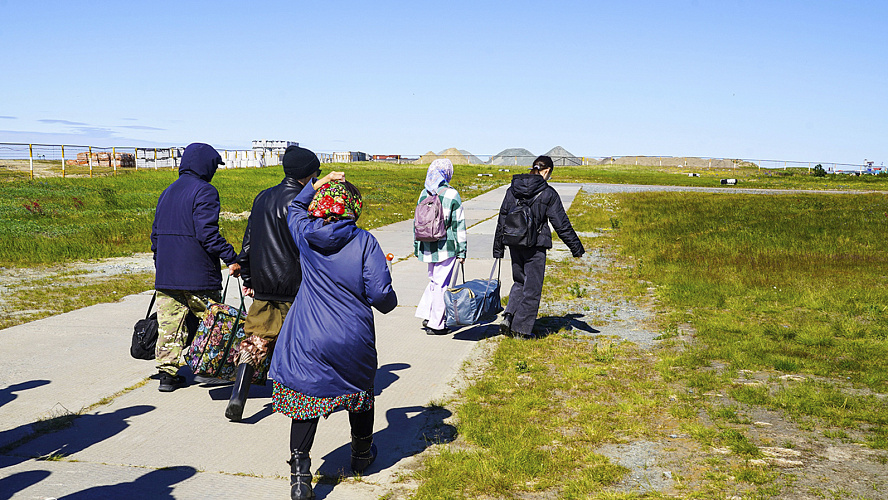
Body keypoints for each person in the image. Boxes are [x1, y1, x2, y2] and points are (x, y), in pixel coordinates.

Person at [270, 172, 397, 500]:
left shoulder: (305, 233)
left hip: (308, 335)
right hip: (352, 336)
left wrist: (317, 182)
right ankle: (360, 455)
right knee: (360, 392)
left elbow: (295, 207)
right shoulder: (366, 241)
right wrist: (388, 287)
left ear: (320, 206)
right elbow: (381, 295)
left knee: (305, 400)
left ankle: (300, 477)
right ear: (354, 209)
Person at [225, 145, 320, 422]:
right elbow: (312, 244)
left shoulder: (263, 197)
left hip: (265, 285)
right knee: (299, 342)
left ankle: (238, 396)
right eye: (316, 172)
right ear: (307, 174)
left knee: (255, 340)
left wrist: (249, 277)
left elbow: (249, 243)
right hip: (298, 285)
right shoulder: (306, 202)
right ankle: (295, 397)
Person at [150, 142, 240, 392]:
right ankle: (208, 370)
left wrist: (161, 263)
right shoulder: (205, 191)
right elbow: (207, 233)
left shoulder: (167, 191)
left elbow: (155, 235)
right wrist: (231, 257)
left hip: (167, 274)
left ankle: (167, 375)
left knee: (169, 324)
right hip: (198, 274)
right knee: (213, 321)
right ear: (206, 165)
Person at [492, 155, 585, 339]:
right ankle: (521, 331)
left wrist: (498, 248)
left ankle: (509, 316)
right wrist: (576, 248)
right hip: (536, 245)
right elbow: (561, 224)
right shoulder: (548, 193)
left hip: (514, 243)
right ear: (547, 171)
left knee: (519, 281)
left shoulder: (512, 189)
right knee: (532, 288)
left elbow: (502, 218)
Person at [414, 158, 467, 335]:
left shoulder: (424, 193)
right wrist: (462, 250)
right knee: (442, 284)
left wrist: (416, 246)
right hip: (447, 247)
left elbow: (416, 222)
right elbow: (459, 225)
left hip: (427, 245)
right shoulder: (452, 195)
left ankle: (427, 314)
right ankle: (436, 324)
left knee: (434, 281)